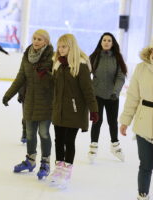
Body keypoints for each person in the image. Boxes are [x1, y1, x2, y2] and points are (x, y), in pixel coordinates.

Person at [120, 27, 153, 200]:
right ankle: (142, 195)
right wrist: (125, 120)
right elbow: (133, 96)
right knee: (145, 165)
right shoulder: (142, 68)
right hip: (144, 121)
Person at [2, 29, 54, 180]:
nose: (36, 41)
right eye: (34, 38)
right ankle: (30, 161)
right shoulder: (27, 55)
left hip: (46, 101)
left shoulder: (52, 57)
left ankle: (45, 163)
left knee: (44, 133)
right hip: (30, 101)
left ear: (46, 41)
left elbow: (57, 81)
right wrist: (8, 94)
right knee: (30, 133)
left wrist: (47, 74)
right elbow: (21, 77)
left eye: (40, 39)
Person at [49, 34, 98, 187]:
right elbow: (55, 88)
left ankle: (66, 172)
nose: (60, 49)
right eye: (59, 46)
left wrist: (94, 110)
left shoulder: (80, 66)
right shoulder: (57, 64)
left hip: (75, 110)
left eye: (64, 46)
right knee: (58, 140)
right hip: (59, 109)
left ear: (71, 47)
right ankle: (58, 169)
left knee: (69, 141)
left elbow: (88, 90)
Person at [88, 32, 127, 163]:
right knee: (96, 121)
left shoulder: (117, 58)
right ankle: (93, 146)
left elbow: (121, 77)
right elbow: (84, 74)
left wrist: (115, 92)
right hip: (96, 95)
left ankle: (115, 146)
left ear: (112, 43)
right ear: (101, 42)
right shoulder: (94, 57)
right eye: (104, 40)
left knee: (112, 122)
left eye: (109, 40)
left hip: (112, 96)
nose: (106, 42)